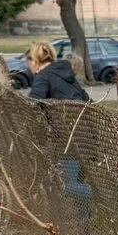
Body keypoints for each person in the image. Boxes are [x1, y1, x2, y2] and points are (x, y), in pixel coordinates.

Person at [24, 42, 93, 217]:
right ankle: (85, 223)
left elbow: (32, 105)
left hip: (67, 141)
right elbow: (87, 100)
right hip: (86, 137)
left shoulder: (43, 77)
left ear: (34, 61)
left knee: (67, 185)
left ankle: (97, 201)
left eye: (28, 61)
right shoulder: (66, 74)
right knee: (74, 183)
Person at [26, 41, 91, 102]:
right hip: (80, 112)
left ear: (34, 61)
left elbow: (33, 103)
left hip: (60, 113)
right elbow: (85, 97)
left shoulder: (42, 77)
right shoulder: (65, 72)